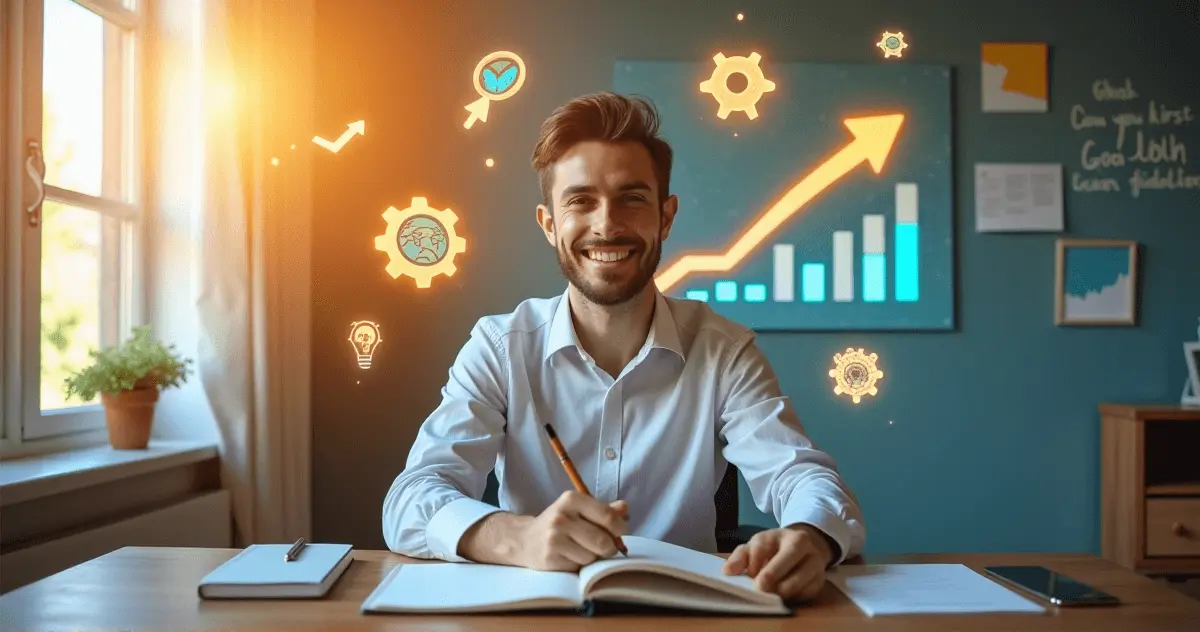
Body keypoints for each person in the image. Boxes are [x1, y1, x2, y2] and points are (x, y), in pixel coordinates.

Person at [382, 92, 865, 602]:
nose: (607, 224)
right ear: (549, 224)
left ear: (665, 217)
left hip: (685, 616)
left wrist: (810, 537)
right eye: (580, 201)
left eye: (632, 198)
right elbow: (411, 499)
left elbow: (804, 477)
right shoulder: (499, 348)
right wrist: (519, 537)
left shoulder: (724, 350)